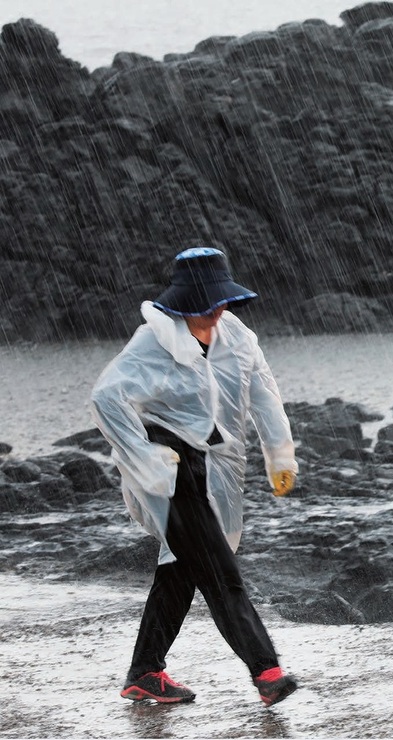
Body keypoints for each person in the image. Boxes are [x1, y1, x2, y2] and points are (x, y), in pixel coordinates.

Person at [90, 247, 300, 707]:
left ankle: (144, 672)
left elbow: (263, 392)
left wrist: (279, 453)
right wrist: (146, 460)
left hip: (214, 466)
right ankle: (266, 670)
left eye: (220, 304)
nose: (215, 313)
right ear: (183, 305)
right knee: (219, 570)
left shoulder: (238, 337)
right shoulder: (153, 342)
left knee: (182, 569)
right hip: (167, 468)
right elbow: (107, 397)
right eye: (205, 306)